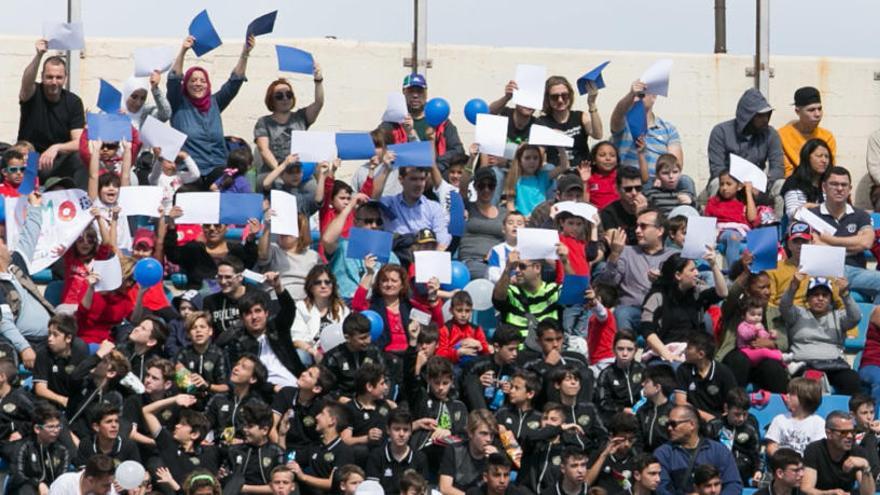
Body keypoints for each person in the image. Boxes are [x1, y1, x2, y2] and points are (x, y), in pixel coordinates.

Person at [167, 34, 254, 176]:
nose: (198, 84)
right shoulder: (177, 104)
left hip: (218, 168)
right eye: (193, 80)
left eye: (202, 80)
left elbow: (235, 82)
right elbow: (173, 79)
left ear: (208, 85)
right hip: (190, 172)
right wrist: (183, 51)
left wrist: (245, 53)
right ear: (186, 84)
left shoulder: (215, 103)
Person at [598, 208, 677, 334]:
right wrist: (614, 254)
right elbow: (608, 282)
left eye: (643, 226)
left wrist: (663, 280)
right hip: (634, 311)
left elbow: (685, 286)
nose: (637, 231)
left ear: (660, 231)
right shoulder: (626, 252)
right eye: (637, 226)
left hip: (664, 313)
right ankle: (625, 349)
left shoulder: (674, 256)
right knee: (622, 312)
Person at [18, 39, 86, 186]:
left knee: (81, 156)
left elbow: (79, 142)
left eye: (59, 77)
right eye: (49, 77)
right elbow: (26, 82)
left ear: (65, 78)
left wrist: (56, 147)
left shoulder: (73, 102)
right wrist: (39, 55)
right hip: (29, 159)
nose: (54, 82)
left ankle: (80, 204)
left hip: (56, 161)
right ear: (42, 77)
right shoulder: (32, 93)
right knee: (14, 164)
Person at [640, 252, 727, 365]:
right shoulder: (657, 295)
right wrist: (667, 354)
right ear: (678, 275)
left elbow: (722, 293)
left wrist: (714, 265)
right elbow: (647, 330)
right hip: (663, 353)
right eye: (692, 270)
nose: (697, 273)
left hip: (691, 352)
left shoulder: (696, 292)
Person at [808, 166, 880, 302]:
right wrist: (854, 242)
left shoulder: (860, 215)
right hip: (824, 271)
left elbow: (866, 243)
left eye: (844, 185)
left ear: (850, 189)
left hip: (855, 271)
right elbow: (813, 247)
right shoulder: (812, 215)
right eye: (834, 184)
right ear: (824, 187)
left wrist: (829, 240)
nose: (839, 188)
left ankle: (874, 321)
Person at [782, 274, 861, 394]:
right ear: (808, 298)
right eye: (815, 295)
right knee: (809, 383)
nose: (820, 298)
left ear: (830, 299)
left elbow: (855, 317)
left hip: (834, 365)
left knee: (852, 379)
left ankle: (850, 412)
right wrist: (793, 287)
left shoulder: (838, 316)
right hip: (804, 365)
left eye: (825, 295)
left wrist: (845, 294)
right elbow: (784, 306)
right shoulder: (797, 314)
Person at [706, 88, 784, 199]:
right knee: (715, 184)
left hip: (760, 186)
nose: (765, 119)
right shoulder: (721, 132)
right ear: (747, 116)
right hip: (729, 183)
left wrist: (762, 183)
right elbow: (717, 169)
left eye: (767, 114)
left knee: (781, 185)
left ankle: (779, 217)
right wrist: (738, 185)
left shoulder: (771, 133)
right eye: (760, 116)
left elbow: (778, 168)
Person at [379, 73, 466, 173]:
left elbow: (458, 150)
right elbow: (376, 143)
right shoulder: (393, 121)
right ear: (404, 92)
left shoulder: (440, 120)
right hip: (402, 178)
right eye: (411, 91)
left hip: (435, 177)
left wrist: (436, 166)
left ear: (426, 93)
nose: (415, 95)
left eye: (419, 91)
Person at [653, 404, 742, 495]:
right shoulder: (663, 454)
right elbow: (661, 488)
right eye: (668, 424)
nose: (669, 428)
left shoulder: (718, 451)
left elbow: (733, 484)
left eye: (673, 424)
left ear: (691, 424)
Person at [609, 80, 684, 174]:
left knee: (686, 181)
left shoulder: (668, 129)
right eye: (634, 95)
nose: (636, 98)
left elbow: (676, 163)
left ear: (654, 96)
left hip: (660, 181)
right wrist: (630, 94)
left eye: (641, 94)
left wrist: (662, 178)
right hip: (632, 182)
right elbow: (618, 115)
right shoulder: (624, 124)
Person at [254, 72, 325, 172]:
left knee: (312, 187)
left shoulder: (301, 117)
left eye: (289, 94)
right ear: (271, 100)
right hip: (274, 172)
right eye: (279, 96)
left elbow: (319, 103)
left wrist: (318, 81)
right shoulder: (264, 122)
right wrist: (280, 172)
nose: (285, 98)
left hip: (300, 172)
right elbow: (263, 149)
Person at [801, 411, 876, 495]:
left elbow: (868, 493)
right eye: (843, 432)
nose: (850, 436)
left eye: (852, 431)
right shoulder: (814, 450)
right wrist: (828, 493)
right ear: (829, 433)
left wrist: (865, 466)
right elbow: (806, 488)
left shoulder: (857, 451)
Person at [380, 166, 451, 251]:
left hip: (424, 257)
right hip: (396, 257)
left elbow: (442, 239)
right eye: (413, 179)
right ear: (401, 179)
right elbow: (373, 198)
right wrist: (386, 169)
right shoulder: (389, 204)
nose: (419, 184)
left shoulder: (434, 207)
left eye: (422, 179)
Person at [290, 265, 350, 364]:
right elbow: (297, 339)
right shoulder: (301, 307)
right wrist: (314, 352)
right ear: (311, 287)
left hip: (337, 355)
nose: (323, 285)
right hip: (310, 354)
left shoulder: (342, 309)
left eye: (327, 282)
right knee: (301, 356)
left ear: (333, 285)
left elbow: (348, 336)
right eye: (318, 282)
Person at [537, 75, 603, 165]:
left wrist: (592, 103)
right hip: (557, 173)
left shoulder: (580, 116)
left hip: (583, 172)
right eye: (554, 97)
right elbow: (538, 154)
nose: (560, 100)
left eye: (564, 96)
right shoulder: (542, 122)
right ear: (547, 99)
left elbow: (598, 135)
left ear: (570, 96)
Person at [8, 403, 70, 495]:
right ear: (37, 429)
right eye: (51, 427)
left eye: (58, 426)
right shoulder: (23, 447)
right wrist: (38, 484)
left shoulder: (62, 451)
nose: (56, 430)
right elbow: (17, 476)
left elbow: (62, 479)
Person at [258, 211, 320, 300]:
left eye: (290, 228)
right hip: (276, 300)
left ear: (300, 231)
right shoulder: (273, 249)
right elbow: (262, 254)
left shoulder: (313, 256)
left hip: (304, 304)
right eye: (282, 227)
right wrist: (267, 227)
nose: (284, 232)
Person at [778, 86, 837, 178]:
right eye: (811, 110)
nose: (817, 114)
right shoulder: (782, 135)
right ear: (797, 111)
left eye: (819, 109)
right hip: (792, 184)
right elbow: (786, 170)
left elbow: (829, 168)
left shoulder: (827, 136)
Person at [366, 408, 427, 495]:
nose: (401, 434)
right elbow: (372, 491)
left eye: (406, 430)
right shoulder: (376, 455)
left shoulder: (420, 457)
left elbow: (422, 491)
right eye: (397, 429)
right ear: (388, 430)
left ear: (411, 432)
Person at [460, 167, 507, 279]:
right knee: (492, 276)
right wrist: (471, 159)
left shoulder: (504, 213)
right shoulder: (467, 207)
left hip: (497, 262)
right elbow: (462, 187)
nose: (486, 190)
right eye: (482, 186)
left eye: (490, 186)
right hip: (471, 260)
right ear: (475, 187)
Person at [438, 410, 499, 495]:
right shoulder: (454, 450)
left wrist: (496, 462)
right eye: (483, 433)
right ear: (470, 433)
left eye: (491, 435)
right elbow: (445, 488)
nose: (489, 439)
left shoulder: (496, 456)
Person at [502, 144, 569, 217]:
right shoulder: (515, 180)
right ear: (519, 160)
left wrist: (560, 147)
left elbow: (563, 166)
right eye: (527, 158)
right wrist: (517, 219)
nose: (532, 161)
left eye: (535, 158)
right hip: (522, 221)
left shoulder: (543, 177)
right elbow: (510, 204)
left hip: (540, 219)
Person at [765, 377, 826, 456]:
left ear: (806, 398)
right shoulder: (780, 419)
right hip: (782, 464)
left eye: (792, 394)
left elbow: (817, 451)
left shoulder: (818, 423)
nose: (787, 396)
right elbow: (771, 445)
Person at [780, 138, 832, 218]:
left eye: (827, 157)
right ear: (807, 157)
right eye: (819, 156)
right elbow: (794, 213)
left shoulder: (829, 182)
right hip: (801, 227)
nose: (824, 160)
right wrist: (814, 207)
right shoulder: (795, 182)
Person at [598, 167, 648, 246]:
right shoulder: (609, 213)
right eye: (628, 189)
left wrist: (642, 216)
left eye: (638, 188)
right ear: (617, 189)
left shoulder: (650, 207)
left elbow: (654, 243)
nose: (634, 193)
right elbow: (615, 246)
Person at [636, 365, 677, 453]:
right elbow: (637, 441)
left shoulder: (674, 412)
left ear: (657, 387)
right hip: (644, 459)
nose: (642, 384)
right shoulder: (642, 411)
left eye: (646, 381)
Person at [489, 79, 538, 144]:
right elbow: (488, 113)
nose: (528, 104)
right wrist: (507, 97)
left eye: (533, 99)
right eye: (524, 97)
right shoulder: (504, 114)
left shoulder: (537, 125)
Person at [48, 453, 115, 495]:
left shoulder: (109, 490)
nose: (110, 489)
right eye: (105, 485)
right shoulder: (64, 485)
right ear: (90, 480)